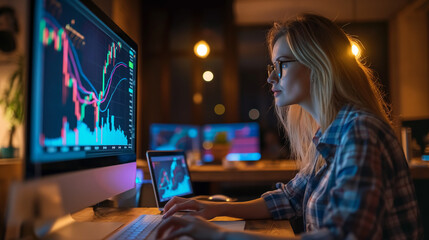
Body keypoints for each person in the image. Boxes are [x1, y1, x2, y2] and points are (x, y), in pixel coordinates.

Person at [156, 14, 423, 240]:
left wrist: (219, 235)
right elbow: (291, 198)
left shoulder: (361, 132)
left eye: (282, 65)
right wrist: (212, 209)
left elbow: (344, 235)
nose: (271, 77)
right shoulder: (330, 133)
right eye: (272, 66)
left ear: (319, 63)